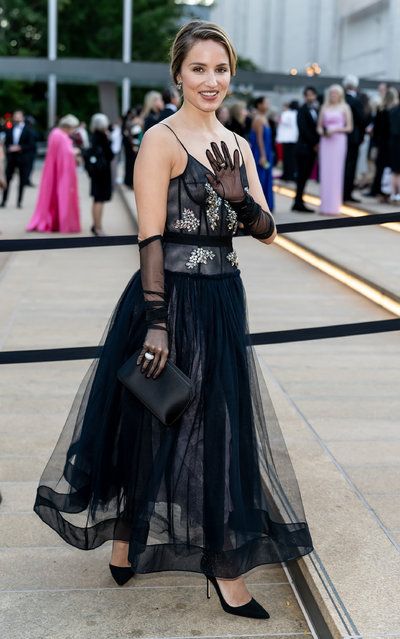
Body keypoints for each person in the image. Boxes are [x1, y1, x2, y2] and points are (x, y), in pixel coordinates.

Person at [34, 20, 312, 621]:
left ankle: (225, 568)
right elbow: (151, 238)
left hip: (222, 297)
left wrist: (240, 201)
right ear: (178, 74)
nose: (211, 81)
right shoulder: (159, 140)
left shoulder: (237, 144)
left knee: (219, 426)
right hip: (169, 299)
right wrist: (157, 322)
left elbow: (267, 232)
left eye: (220, 69)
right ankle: (129, 535)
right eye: (198, 69)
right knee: (151, 420)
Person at [26, 114, 81, 233]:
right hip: (62, 172)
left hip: (54, 171)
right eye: (72, 129)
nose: (72, 131)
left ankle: (56, 220)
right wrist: (75, 152)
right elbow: (66, 154)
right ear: (67, 127)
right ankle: (62, 222)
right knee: (62, 195)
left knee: (52, 195)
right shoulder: (60, 135)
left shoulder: (55, 133)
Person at [317, 85, 353, 215]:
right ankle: (324, 205)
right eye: (331, 92)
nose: (333, 95)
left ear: (340, 94)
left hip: (338, 141)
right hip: (326, 141)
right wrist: (323, 132)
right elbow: (319, 127)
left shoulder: (345, 107)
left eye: (336, 93)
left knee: (336, 172)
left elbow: (349, 127)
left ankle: (334, 206)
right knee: (325, 172)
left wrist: (335, 130)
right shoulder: (324, 107)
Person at [1, 110, 36, 208]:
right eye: (15, 115)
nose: (16, 117)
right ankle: (4, 200)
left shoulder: (28, 130)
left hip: (23, 158)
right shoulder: (9, 129)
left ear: (23, 117)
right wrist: (9, 148)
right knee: (7, 180)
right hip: (11, 158)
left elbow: (31, 145)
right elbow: (6, 143)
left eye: (18, 116)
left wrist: (20, 148)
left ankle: (19, 201)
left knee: (22, 180)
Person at [368, 88, 398, 200]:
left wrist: (376, 142)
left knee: (381, 169)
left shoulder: (381, 111)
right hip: (391, 144)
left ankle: (379, 190)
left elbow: (376, 130)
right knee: (391, 170)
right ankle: (389, 192)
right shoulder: (393, 112)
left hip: (382, 144)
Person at [292, 87, 319, 212]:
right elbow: (303, 130)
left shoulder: (315, 110)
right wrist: (315, 142)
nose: (310, 97)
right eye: (308, 95)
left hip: (310, 149)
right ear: (304, 97)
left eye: (312, 95)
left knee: (305, 176)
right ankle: (298, 202)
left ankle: (299, 200)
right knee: (302, 176)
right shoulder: (302, 110)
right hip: (304, 148)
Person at [88, 113, 114, 236]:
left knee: (96, 199)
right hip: (102, 173)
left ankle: (95, 225)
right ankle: (98, 227)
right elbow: (110, 155)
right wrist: (109, 140)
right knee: (100, 200)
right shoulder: (103, 137)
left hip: (96, 172)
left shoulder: (94, 136)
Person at [342, 75, 366, 203]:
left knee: (342, 166)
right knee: (351, 166)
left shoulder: (342, 99)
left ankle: (341, 191)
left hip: (340, 138)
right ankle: (347, 193)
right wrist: (362, 136)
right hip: (353, 138)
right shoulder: (356, 101)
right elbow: (362, 120)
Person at [250, 96, 274, 211]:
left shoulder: (264, 118)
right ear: (259, 105)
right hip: (261, 152)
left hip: (267, 151)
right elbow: (259, 139)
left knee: (266, 177)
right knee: (261, 178)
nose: (267, 105)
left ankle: (265, 204)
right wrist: (263, 156)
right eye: (266, 103)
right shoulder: (258, 119)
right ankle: (259, 204)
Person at [276, 100, 299, 181]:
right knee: (292, 159)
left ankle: (286, 175)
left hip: (286, 139)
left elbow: (281, 124)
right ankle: (291, 175)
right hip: (294, 139)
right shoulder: (297, 114)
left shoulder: (285, 114)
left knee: (286, 158)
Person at [388, 98, 400, 200]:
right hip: (396, 142)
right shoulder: (393, 111)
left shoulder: (392, 111)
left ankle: (393, 193)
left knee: (394, 170)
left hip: (393, 143)